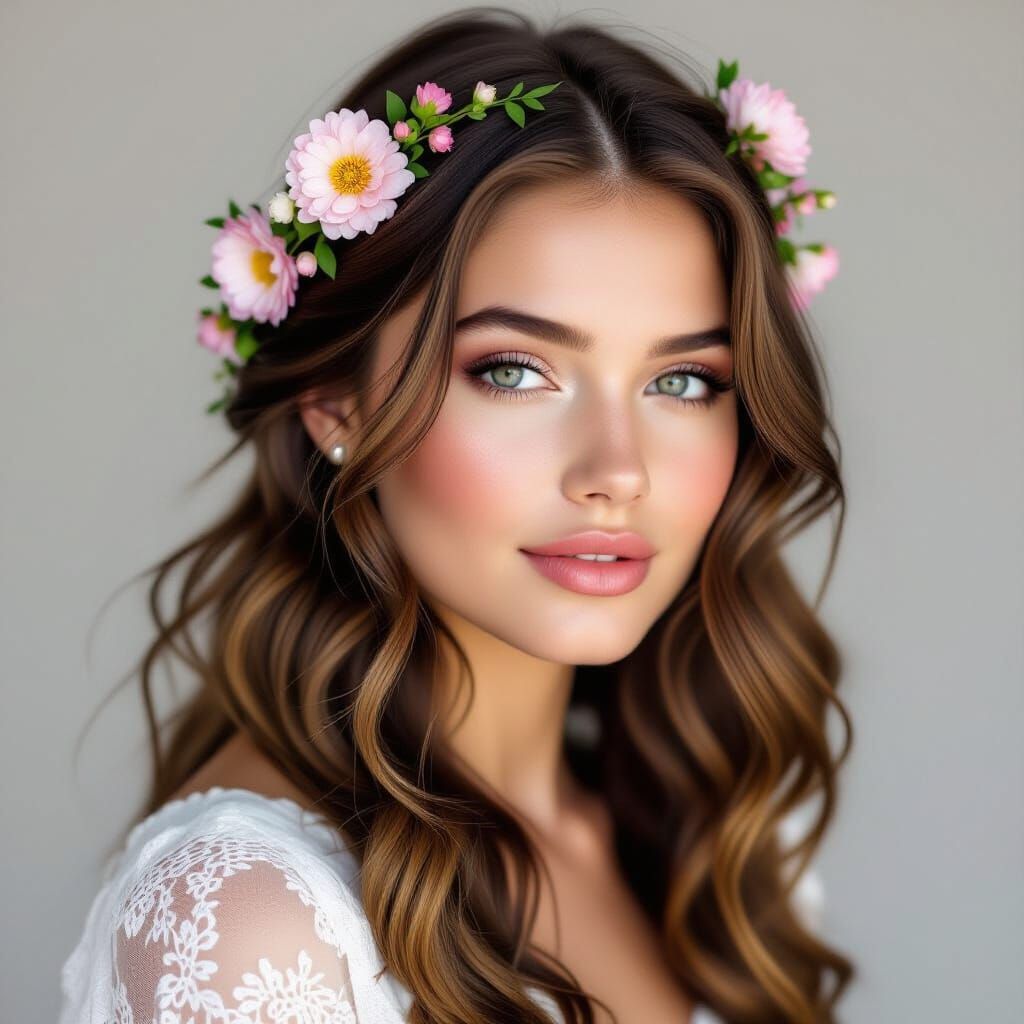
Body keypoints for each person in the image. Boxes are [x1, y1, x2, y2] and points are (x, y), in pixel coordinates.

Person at [58, 8, 854, 1023]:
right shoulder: (252, 924)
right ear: (336, 402)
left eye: (686, 382)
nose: (617, 471)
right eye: (514, 371)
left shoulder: (716, 835)